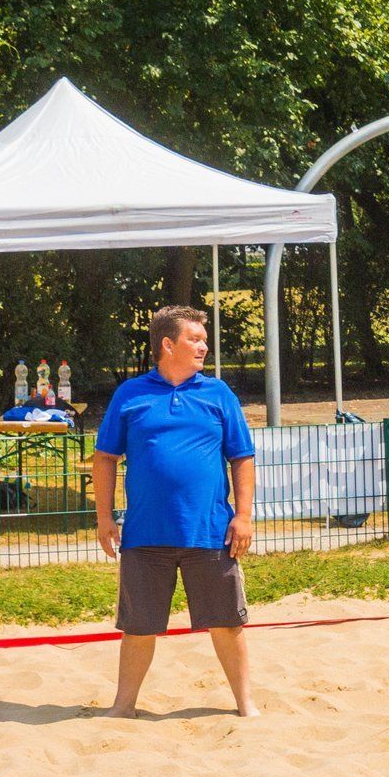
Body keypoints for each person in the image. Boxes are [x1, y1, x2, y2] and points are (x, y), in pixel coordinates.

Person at [92, 306, 256, 718]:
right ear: (168, 344)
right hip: (145, 533)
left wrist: (243, 516)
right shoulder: (130, 394)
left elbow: (242, 457)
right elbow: (105, 457)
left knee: (227, 623)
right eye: (194, 339)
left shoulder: (219, 393)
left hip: (210, 530)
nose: (203, 346)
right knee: (138, 627)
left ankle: (246, 705)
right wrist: (103, 517)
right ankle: (123, 707)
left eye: (204, 340)